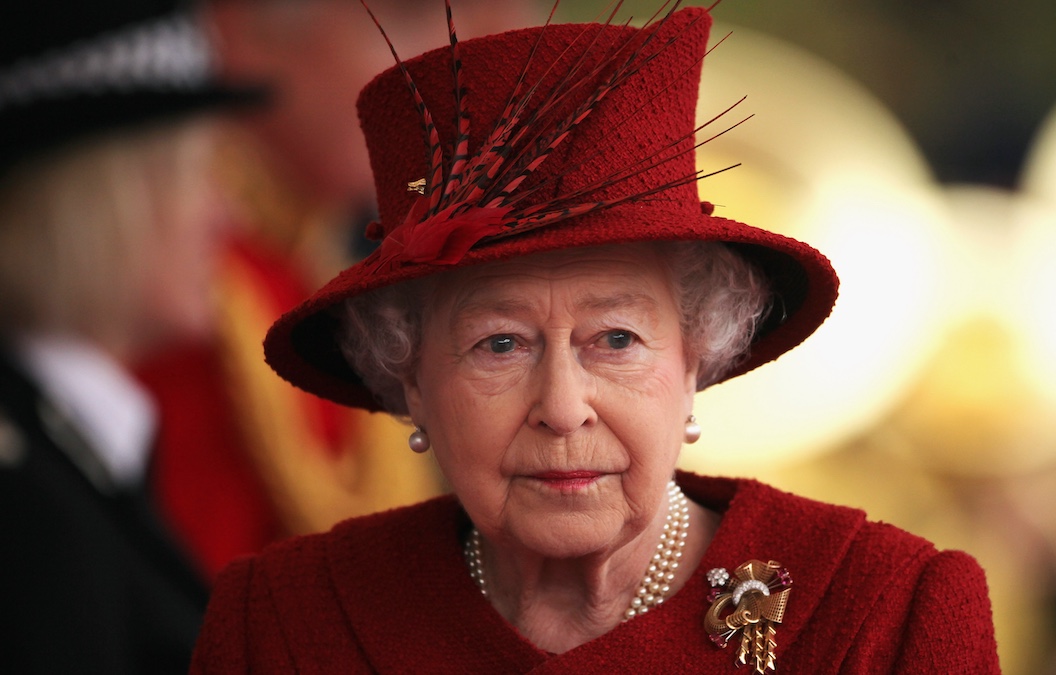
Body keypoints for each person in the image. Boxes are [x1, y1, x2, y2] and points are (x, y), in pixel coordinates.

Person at [190, 4, 1001, 673]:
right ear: (411, 380)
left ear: (696, 355)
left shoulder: (887, 613)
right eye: (500, 343)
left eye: (615, 337)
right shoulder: (283, 622)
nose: (562, 406)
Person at [135, 0, 539, 581]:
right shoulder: (176, 294)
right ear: (240, 35)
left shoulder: (316, 258)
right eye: (410, 16)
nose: (457, 65)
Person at [0, 0, 262, 672]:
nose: (225, 214)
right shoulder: (28, 509)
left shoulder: (66, 449)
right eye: (197, 174)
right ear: (103, 201)